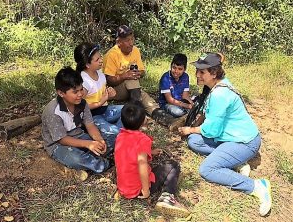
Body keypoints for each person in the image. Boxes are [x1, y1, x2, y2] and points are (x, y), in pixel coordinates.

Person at [178, 53, 272, 216]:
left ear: (214, 73)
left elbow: (211, 131)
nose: (197, 75)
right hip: (229, 138)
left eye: (202, 71)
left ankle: (257, 186)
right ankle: (237, 162)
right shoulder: (218, 86)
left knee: (207, 169)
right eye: (197, 71)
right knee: (194, 141)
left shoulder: (219, 94)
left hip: (245, 142)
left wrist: (190, 129)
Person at [114, 101, 190, 217]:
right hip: (138, 189)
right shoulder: (143, 139)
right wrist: (145, 190)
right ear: (143, 120)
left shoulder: (120, 136)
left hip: (124, 188)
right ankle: (167, 198)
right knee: (173, 165)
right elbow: (142, 165)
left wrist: (150, 152)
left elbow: (128, 155)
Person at [41, 67, 113, 179]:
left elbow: (90, 124)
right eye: (75, 92)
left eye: (81, 90)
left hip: (78, 134)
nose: (80, 94)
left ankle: (100, 157)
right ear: (61, 93)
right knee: (77, 159)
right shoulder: (53, 111)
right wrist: (88, 144)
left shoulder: (82, 103)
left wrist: (99, 140)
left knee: (109, 142)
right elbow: (62, 139)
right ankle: (104, 164)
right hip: (57, 144)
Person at [103, 25, 178, 127]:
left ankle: (167, 120)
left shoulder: (135, 50)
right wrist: (124, 76)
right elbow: (109, 80)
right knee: (132, 80)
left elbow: (142, 71)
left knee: (145, 98)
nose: (131, 43)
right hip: (114, 91)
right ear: (118, 42)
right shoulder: (112, 54)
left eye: (132, 39)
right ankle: (136, 115)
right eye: (127, 40)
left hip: (131, 89)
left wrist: (139, 73)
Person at [74, 42, 123, 151]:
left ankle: (117, 134)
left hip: (105, 109)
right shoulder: (84, 81)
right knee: (116, 132)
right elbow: (79, 106)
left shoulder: (99, 72)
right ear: (87, 64)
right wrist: (100, 103)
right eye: (97, 59)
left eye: (100, 56)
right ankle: (113, 138)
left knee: (128, 110)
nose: (101, 60)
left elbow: (101, 94)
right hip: (92, 116)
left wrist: (110, 95)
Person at [159, 53, 194, 118]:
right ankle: (186, 114)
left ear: (184, 69)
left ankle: (187, 113)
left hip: (180, 102)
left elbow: (185, 95)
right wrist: (186, 106)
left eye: (180, 69)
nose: (176, 71)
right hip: (167, 103)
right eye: (174, 68)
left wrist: (191, 104)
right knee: (178, 112)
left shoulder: (185, 76)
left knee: (195, 103)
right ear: (171, 66)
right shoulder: (165, 78)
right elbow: (169, 100)